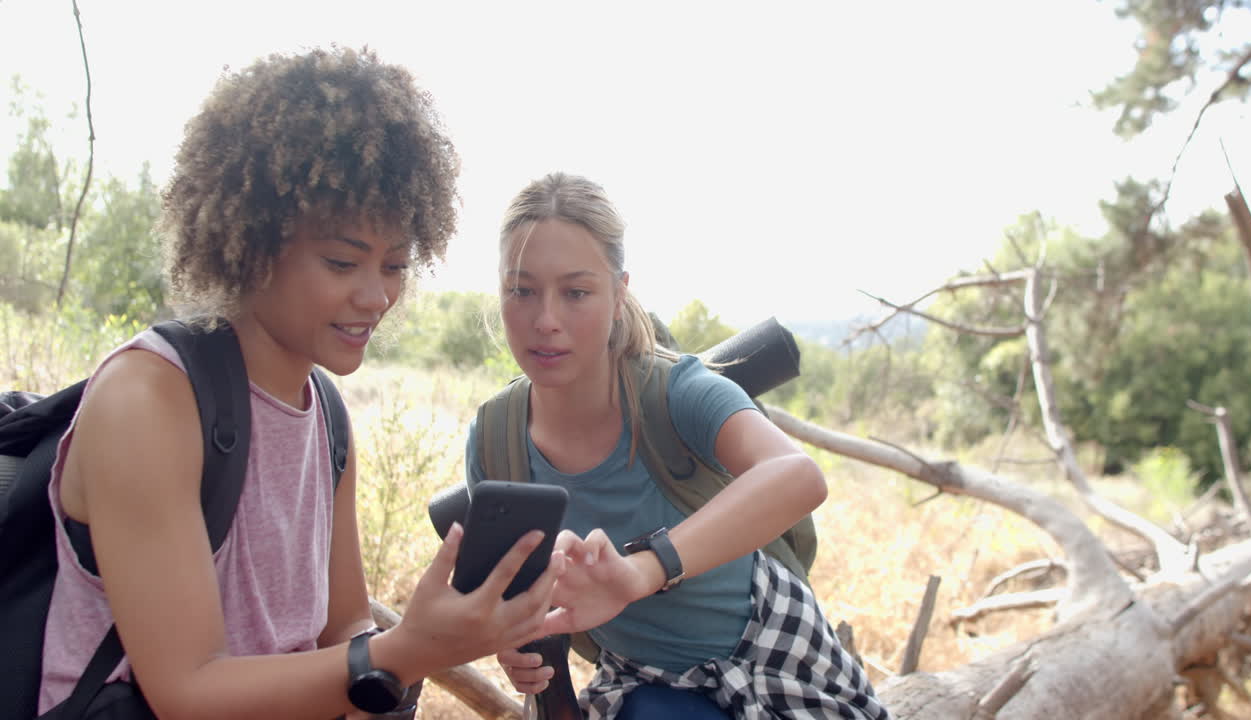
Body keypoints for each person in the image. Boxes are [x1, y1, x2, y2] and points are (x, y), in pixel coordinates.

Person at [38, 47, 562, 719]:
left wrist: (437, 638)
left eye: (396, 265)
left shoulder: (327, 415)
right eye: (343, 261)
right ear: (253, 241)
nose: (376, 296)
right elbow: (186, 691)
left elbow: (340, 628)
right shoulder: (149, 401)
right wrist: (400, 652)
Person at [469, 172, 890, 719]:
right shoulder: (496, 443)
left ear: (619, 294)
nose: (546, 320)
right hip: (639, 679)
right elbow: (512, 597)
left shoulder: (676, 392)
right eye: (521, 291)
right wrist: (513, 644)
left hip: (773, 653)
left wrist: (642, 571)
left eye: (576, 292)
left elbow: (797, 475)